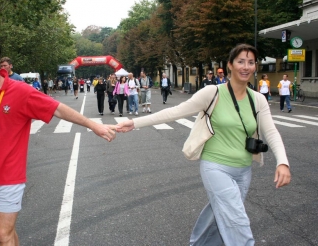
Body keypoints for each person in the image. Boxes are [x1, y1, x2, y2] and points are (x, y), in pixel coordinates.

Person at [116, 43, 291, 246]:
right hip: (216, 167)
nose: (246, 67)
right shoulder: (212, 93)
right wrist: (134, 123)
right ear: (230, 65)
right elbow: (174, 112)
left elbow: (271, 132)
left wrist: (283, 162)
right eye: (241, 61)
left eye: (250, 62)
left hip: (244, 170)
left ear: (255, 67)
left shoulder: (258, 99)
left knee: (218, 216)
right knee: (236, 219)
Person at [0, 38, 116, 245]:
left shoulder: (20, 91)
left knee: (2, 233)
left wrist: (94, 125)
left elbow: (57, 108)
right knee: (6, 232)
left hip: (10, 176)